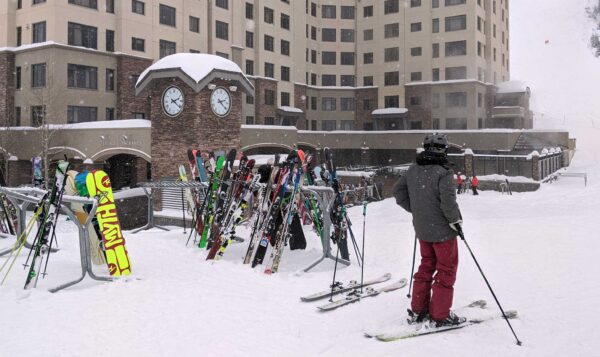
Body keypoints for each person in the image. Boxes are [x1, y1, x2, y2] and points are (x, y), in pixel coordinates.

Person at [393, 133, 466, 327]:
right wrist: (455, 221)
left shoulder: (413, 170)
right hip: (443, 231)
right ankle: (440, 314)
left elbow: (398, 193)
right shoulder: (444, 172)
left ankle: (419, 309)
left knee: (426, 266)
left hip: (423, 230)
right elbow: (448, 203)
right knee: (446, 270)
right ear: (444, 150)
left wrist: (418, 210)